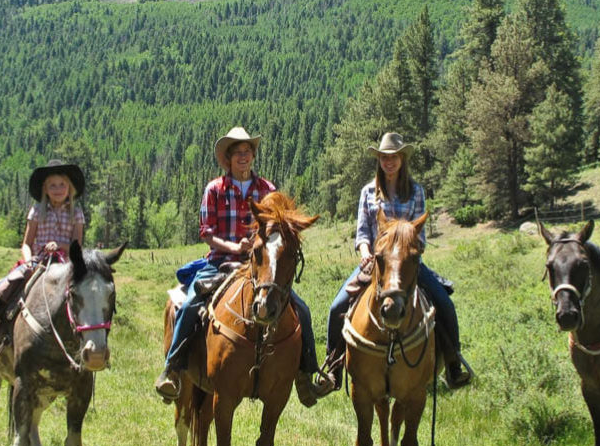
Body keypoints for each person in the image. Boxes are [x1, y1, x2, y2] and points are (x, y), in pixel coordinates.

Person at [153, 127, 329, 406]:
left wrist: (261, 243)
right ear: (228, 158)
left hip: (259, 266)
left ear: (253, 156)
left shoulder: (267, 190)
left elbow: (278, 228)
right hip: (220, 262)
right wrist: (234, 247)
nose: (243, 158)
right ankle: (172, 369)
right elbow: (206, 231)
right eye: (237, 153)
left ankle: (307, 377)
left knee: (301, 311)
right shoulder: (215, 189)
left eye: (247, 152)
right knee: (189, 304)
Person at [324, 132, 472, 392]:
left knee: (444, 303)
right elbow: (361, 233)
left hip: (406, 266)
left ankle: (453, 365)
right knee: (337, 307)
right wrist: (365, 252)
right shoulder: (368, 192)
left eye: (393, 157)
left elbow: (421, 238)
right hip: (375, 264)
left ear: (402, 159)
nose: (388, 162)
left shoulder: (416, 192)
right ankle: (334, 367)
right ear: (379, 160)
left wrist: (405, 252)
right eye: (384, 157)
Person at [0, 159, 85, 353]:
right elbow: (26, 244)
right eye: (52, 185)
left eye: (62, 185)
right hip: (37, 261)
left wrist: (60, 246)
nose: (58, 189)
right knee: (5, 288)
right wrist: (29, 259)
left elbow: (77, 246)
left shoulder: (77, 213)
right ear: (45, 189)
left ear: (69, 188)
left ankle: (89, 342)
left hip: (66, 262)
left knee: (89, 293)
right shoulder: (37, 210)